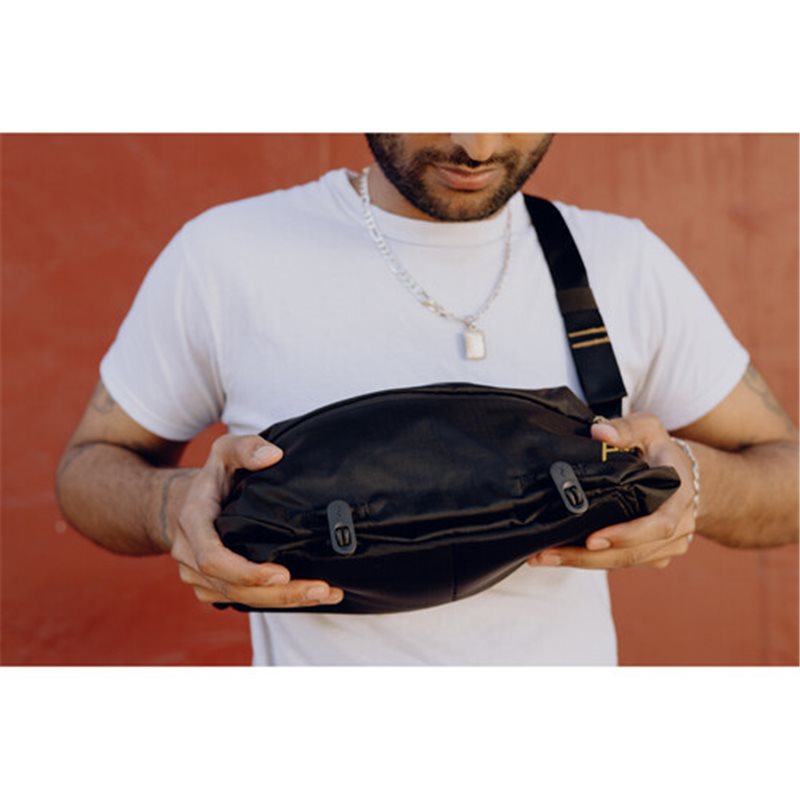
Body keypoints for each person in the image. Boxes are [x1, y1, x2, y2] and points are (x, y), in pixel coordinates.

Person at [55, 134, 799, 666]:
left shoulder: (622, 260)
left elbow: (787, 479)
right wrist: (174, 507)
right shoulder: (225, 255)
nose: (478, 144)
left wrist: (694, 481)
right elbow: (88, 468)